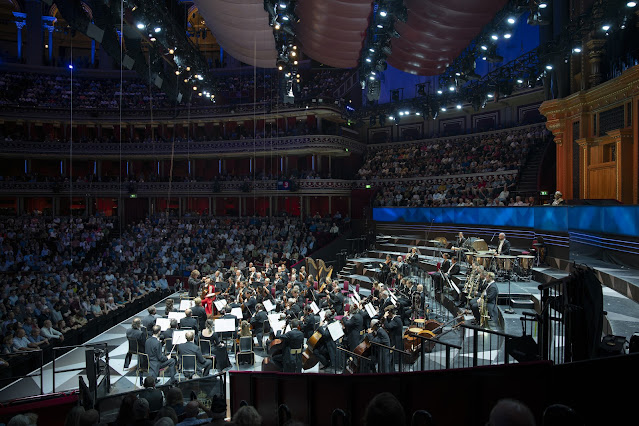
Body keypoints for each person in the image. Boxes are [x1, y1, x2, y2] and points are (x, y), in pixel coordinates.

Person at [383, 306, 403, 370]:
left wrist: (385, 317)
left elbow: (388, 326)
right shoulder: (395, 319)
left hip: (396, 341)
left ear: (390, 313)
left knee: (393, 356)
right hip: (395, 338)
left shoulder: (396, 320)